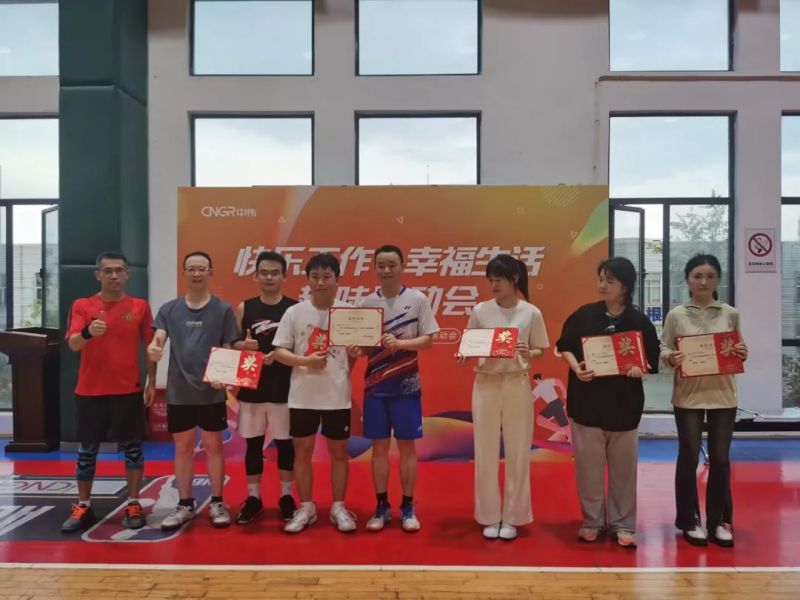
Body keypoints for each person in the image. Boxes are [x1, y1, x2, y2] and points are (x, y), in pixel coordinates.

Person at [556, 257, 659, 548]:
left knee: (623, 472)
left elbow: (651, 360)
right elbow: (564, 346)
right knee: (588, 470)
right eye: (600, 279)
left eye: (609, 281)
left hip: (625, 407)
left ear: (625, 286)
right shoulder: (584, 315)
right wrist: (576, 368)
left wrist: (640, 368)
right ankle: (592, 521)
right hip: (586, 405)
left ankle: (623, 524)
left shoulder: (639, 322)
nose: (602, 285)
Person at [61, 251, 156, 533]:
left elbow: (150, 346)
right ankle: (83, 505)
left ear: (127, 274)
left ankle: (134, 503)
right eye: (108, 271)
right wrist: (89, 332)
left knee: (133, 449)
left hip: (127, 390)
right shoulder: (82, 305)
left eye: (119, 270)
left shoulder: (139, 306)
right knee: (86, 451)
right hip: (90, 391)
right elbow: (73, 344)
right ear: (98, 274)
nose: (114, 275)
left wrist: (152, 381)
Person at [458, 254, 550, 542]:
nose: (494, 285)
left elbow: (540, 349)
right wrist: (464, 353)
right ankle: (488, 515)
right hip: (485, 383)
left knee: (518, 449)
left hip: (516, 382)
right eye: (491, 280)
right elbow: (471, 343)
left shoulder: (530, 312)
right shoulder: (480, 310)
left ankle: (513, 516)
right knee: (484, 449)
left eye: (499, 280)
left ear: (514, 279)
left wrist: (528, 352)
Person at [660, 254, 747, 548]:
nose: (703, 282)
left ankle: (719, 521)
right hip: (688, 395)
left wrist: (742, 352)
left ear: (718, 280)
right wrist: (671, 357)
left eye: (710, 276)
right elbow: (664, 348)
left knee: (720, 460)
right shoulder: (676, 315)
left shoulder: (730, 313)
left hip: (723, 395)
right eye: (697, 276)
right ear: (687, 280)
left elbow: (738, 347)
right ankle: (689, 520)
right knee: (688, 457)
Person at [148, 251, 239, 531]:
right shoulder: (169, 309)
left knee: (213, 447)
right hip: (179, 392)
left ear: (210, 272)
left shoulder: (223, 310)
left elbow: (229, 346)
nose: (197, 273)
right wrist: (154, 347)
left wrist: (223, 375)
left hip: (211, 392)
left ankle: (217, 502)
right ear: (184, 272)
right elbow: (158, 337)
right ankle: (185, 503)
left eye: (202, 269)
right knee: (183, 447)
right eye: (191, 269)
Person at [273, 253, 361, 534]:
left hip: (337, 395)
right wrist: (305, 361)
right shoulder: (294, 312)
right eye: (315, 277)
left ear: (337, 280)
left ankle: (338, 507)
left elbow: (356, 354)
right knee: (303, 451)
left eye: (327, 277)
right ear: (308, 280)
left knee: (339, 452)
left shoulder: (349, 312)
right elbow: (280, 351)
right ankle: (307, 507)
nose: (321, 282)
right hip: (303, 395)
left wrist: (354, 355)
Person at [360, 245, 439, 533]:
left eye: (392, 265)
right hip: (375, 387)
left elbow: (428, 339)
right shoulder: (367, 303)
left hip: (407, 387)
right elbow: (365, 345)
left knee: (407, 447)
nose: (386, 270)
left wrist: (401, 343)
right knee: (379, 448)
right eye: (381, 265)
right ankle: (381, 505)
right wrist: (358, 348)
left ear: (402, 266)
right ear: (375, 268)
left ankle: (407, 506)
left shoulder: (417, 299)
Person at [233, 250, 299, 525]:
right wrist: (243, 345)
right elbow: (232, 344)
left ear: (284, 276)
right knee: (253, 444)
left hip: (285, 388)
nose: (269, 277)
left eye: (274, 273)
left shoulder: (295, 309)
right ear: (256, 276)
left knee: (285, 444)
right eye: (264, 273)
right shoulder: (244, 307)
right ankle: (253, 498)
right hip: (252, 388)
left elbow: (302, 347)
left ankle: (286, 496)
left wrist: (283, 355)